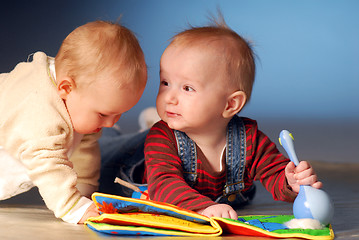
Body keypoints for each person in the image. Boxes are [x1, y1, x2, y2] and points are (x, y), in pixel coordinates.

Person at [144, 17, 322, 220]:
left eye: (187, 88)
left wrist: (291, 181)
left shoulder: (248, 138)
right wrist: (203, 208)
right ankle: (142, 126)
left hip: (224, 199)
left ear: (230, 104)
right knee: (123, 154)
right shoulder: (162, 138)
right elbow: (164, 184)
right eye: (165, 82)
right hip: (145, 179)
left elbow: (273, 170)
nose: (169, 98)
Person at [0, 20, 147, 224]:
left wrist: (85, 192)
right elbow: (48, 165)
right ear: (67, 88)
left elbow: (85, 148)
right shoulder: (39, 111)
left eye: (118, 114)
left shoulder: (79, 101)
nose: (110, 123)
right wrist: (73, 206)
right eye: (104, 114)